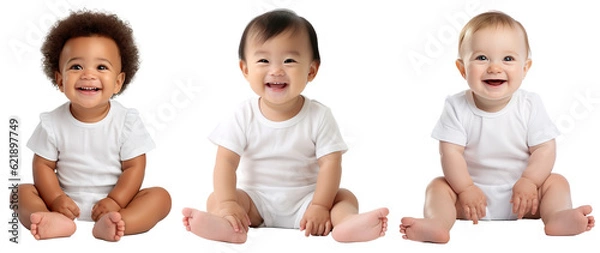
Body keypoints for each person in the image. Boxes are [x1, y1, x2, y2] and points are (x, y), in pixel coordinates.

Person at [182, 9, 388, 243]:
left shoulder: (319, 116)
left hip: (309, 201)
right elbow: (225, 162)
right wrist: (229, 204)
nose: (276, 70)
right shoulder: (242, 115)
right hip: (255, 202)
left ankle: (346, 224)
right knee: (217, 199)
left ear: (311, 70)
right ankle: (229, 225)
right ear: (245, 70)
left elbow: (331, 163)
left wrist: (320, 205)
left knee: (344, 198)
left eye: (289, 60)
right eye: (263, 60)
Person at [399, 11, 595, 243]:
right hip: (471, 200)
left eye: (508, 59)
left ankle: (556, 217)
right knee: (438, 187)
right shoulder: (456, 106)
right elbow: (450, 153)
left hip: (525, 199)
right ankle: (438, 223)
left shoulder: (529, 105)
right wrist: (465, 189)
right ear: (462, 69)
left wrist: (530, 181)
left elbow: (545, 149)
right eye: (481, 58)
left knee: (557, 182)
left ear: (525, 68)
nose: (494, 67)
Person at [17, 10, 172, 242]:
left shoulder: (127, 121)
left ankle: (120, 223)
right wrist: (56, 199)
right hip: (62, 201)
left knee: (161, 197)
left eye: (101, 67)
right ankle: (54, 221)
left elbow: (134, 167)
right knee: (19, 194)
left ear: (118, 82)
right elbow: (43, 167)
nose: (88, 75)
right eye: (76, 67)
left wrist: (116, 201)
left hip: (117, 203)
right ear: (60, 80)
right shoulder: (51, 123)